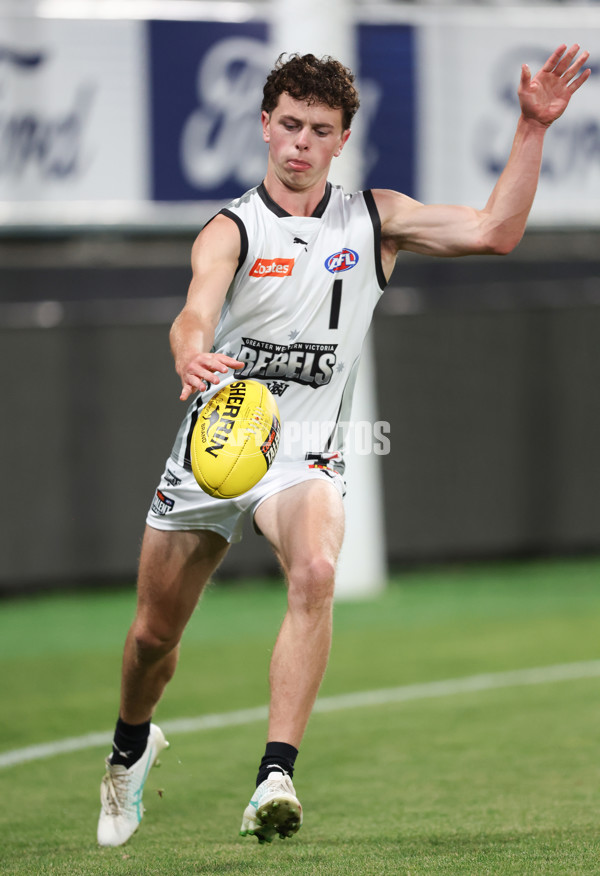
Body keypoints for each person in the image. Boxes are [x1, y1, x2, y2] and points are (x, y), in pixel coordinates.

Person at [97, 45, 590, 847]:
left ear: (341, 140)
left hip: (305, 457)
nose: (299, 142)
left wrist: (532, 126)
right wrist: (190, 348)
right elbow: (195, 309)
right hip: (217, 447)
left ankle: (274, 776)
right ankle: (128, 748)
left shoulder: (374, 219)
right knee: (154, 637)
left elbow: (496, 232)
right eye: (288, 123)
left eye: (318, 129)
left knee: (318, 569)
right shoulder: (231, 228)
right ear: (263, 125)